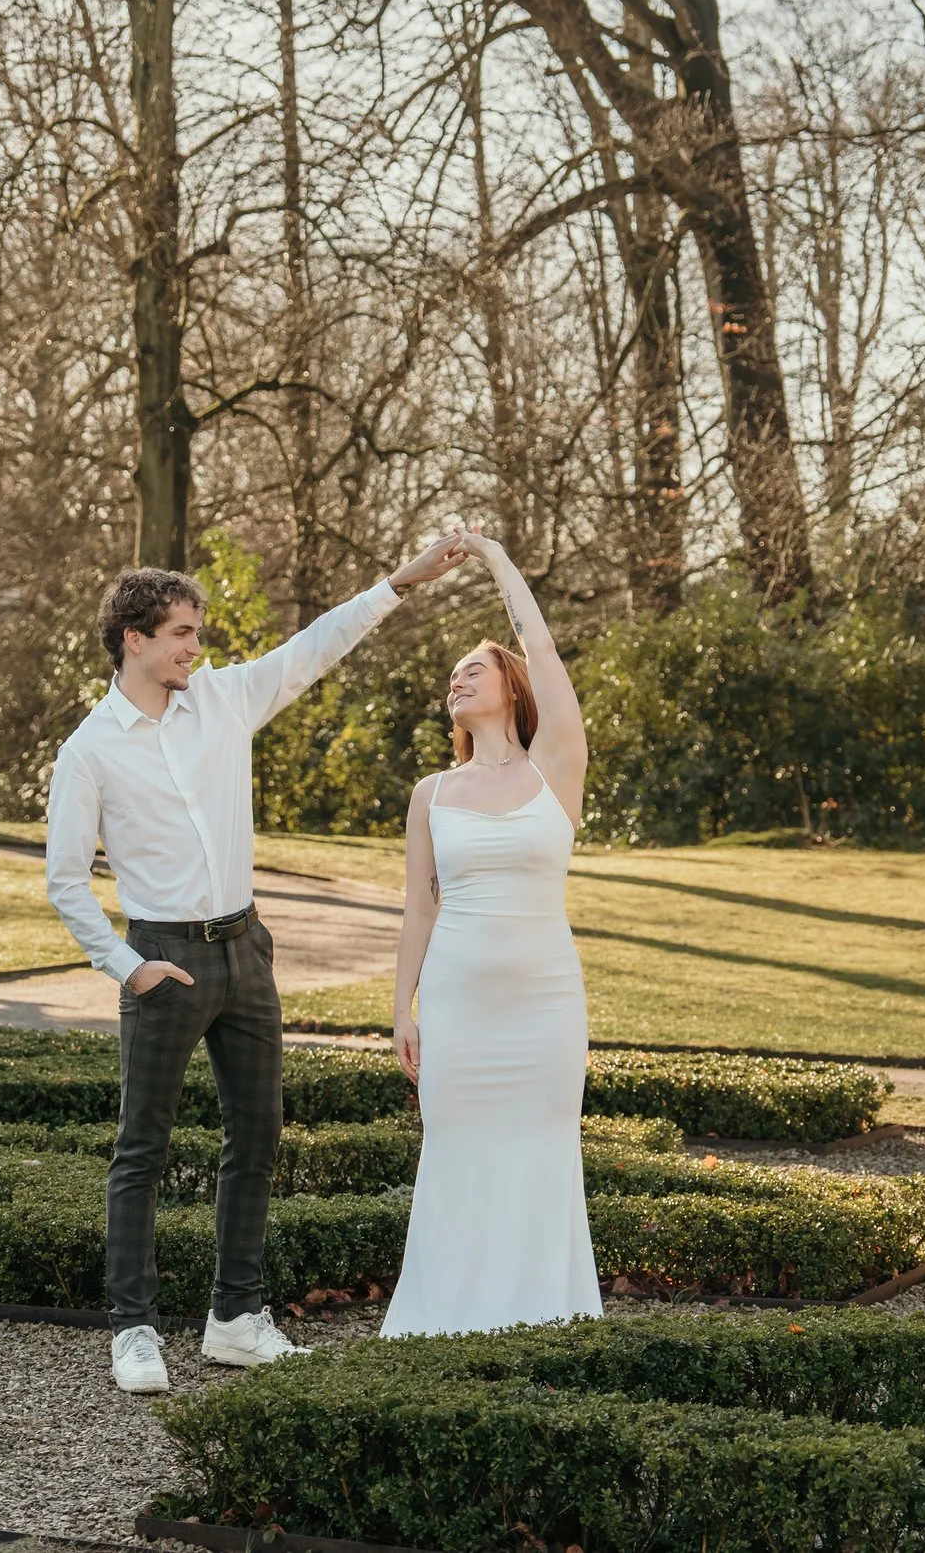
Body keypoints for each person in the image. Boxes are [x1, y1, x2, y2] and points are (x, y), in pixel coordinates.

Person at [45, 533, 472, 1394]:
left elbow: (315, 645)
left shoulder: (225, 700)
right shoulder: (89, 750)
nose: (196, 648)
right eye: (181, 634)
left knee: (259, 1133)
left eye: (196, 632)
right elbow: (64, 882)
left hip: (246, 949)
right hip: (162, 956)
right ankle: (133, 1329)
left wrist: (400, 582)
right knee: (142, 1147)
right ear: (133, 638)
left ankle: (235, 1318)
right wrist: (129, 967)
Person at [381, 524, 599, 1336]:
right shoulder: (431, 791)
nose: (456, 680)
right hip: (457, 1010)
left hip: (544, 1007)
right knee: (458, 1157)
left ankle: (547, 1321)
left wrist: (498, 559)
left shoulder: (557, 768)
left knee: (542, 1155)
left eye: (472, 668)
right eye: (450, 676)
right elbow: (420, 907)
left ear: (509, 685)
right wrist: (401, 1008)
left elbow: (540, 644)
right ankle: (441, 1325)